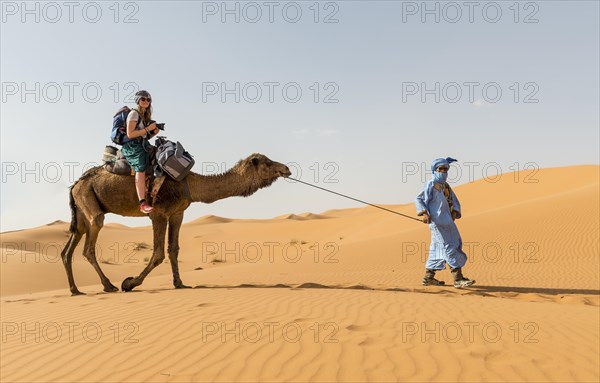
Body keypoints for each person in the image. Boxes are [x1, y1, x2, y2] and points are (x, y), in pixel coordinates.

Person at [415, 157, 475, 288]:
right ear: (434, 170)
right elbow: (419, 199)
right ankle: (458, 279)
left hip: (447, 221)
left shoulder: (445, 186)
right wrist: (424, 213)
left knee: (437, 249)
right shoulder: (431, 184)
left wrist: (455, 212)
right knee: (450, 246)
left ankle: (428, 278)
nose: (443, 171)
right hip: (437, 223)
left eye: (445, 169)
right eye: (440, 169)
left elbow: (455, 201)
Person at [122, 90, 160, 214]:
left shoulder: (144, 116)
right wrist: (148, 129)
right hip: (132, 146)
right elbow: (130, 134)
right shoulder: (134, 114)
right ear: (138, 100)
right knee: (141, 166)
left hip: (141, 143)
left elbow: (143, 136)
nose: (146, 101)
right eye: (143, 99)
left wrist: (153, 133)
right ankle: (142, 203)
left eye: (148, 100)